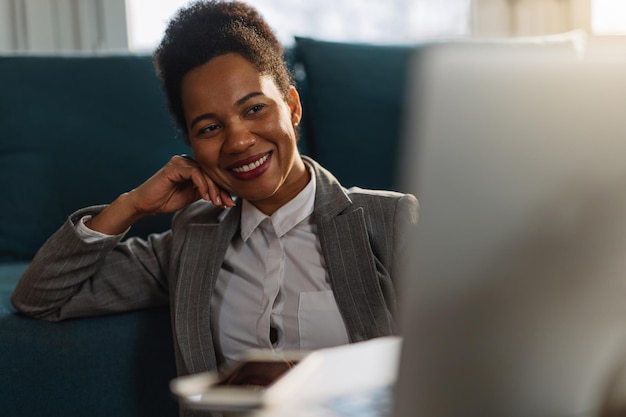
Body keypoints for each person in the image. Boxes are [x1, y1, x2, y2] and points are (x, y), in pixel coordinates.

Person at [11, 1, 418, 415]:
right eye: (209, 128)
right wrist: (131, 205)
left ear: (292, 107)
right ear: (191, 145)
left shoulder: (391, 220)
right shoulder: (192, 239)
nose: (238, 141)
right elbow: (41, 297)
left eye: (254, 108)